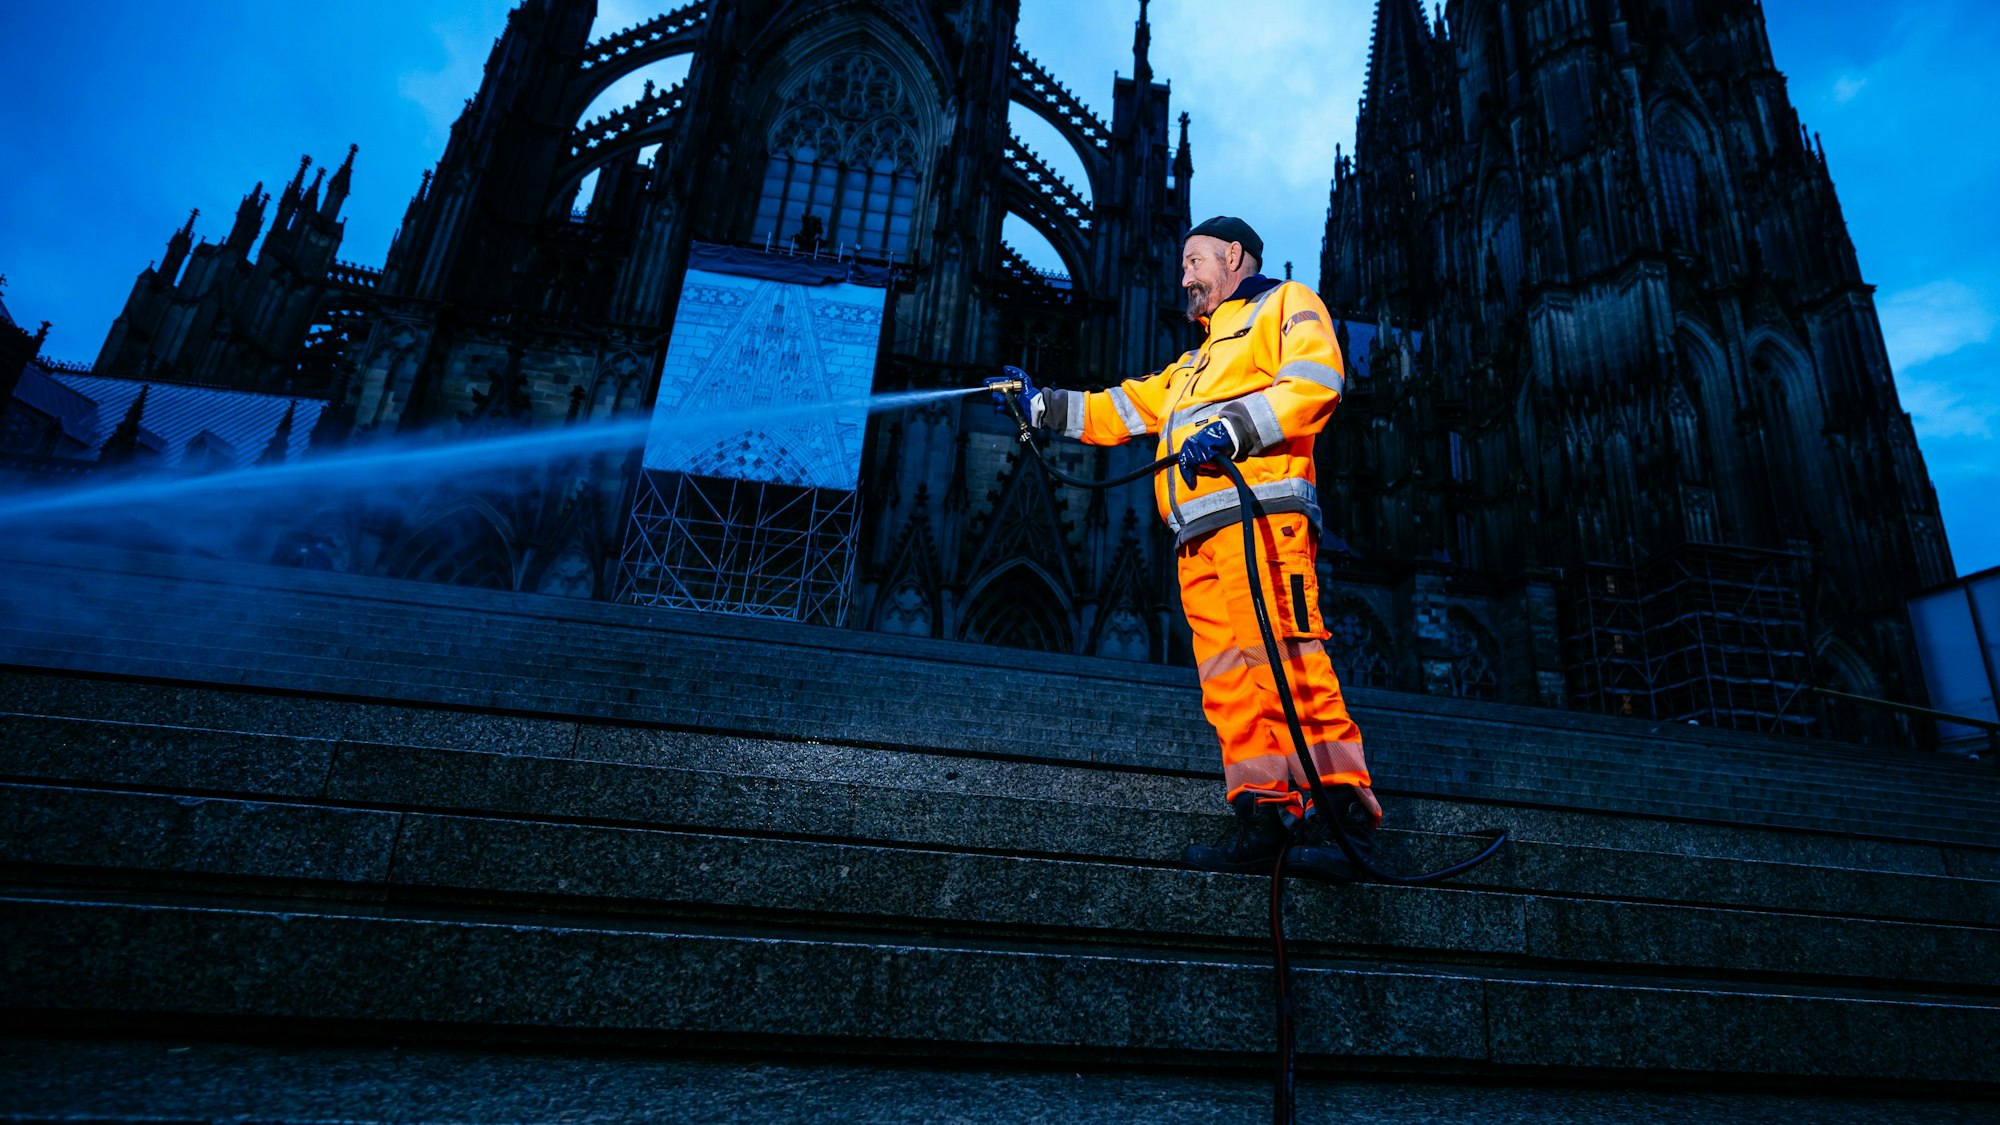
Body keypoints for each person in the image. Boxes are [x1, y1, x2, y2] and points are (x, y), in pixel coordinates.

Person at [986, 216, 1379, 880]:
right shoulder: (1195, 363)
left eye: (1193, 262)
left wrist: (1232, 431)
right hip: (1199, 540)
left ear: (1232, 255)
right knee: (1227, 684)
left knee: (1286, 661)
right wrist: (1041, 406)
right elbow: (1123, 408)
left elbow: (1317, 380)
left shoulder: (1286, 304)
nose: (1185, 278)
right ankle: (1266, 815)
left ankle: (1345, 818)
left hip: (1261, 517)